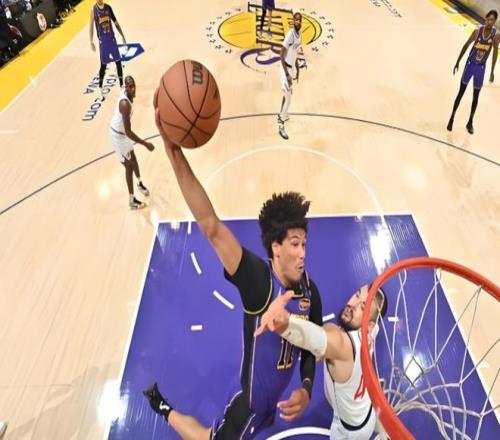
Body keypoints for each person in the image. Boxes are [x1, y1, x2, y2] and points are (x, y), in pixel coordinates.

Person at [143, 109, 323, 439]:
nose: (303, 253)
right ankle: (163, 407)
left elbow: (313, 345)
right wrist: (173, 151)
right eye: (295, 244)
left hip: (271, 405)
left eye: (305, 243)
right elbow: (210, 226)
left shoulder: (310, 289)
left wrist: (307, 388)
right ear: (276, 248)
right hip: (247, 407)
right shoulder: (259, 281)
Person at [255, 284, 388, 439]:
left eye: (363, 307)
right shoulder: (371, 332)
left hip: (350, 432)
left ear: (369, 325)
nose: (352, 304)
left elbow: (317, 337)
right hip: (367, 409)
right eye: (357, 294)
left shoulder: (344, 345)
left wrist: (285, 323)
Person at [447, 10, 499, 134]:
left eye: (492, 20)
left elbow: (495, 53)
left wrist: (492, 71)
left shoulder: (495, 35)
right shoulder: (477, 32)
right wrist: (458, 61)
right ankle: (452, 117)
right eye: (488, 19)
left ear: (495, 21)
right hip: (470, 65)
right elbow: (466, 45)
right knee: (461, 93)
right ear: (485, 19)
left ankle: (470, 122)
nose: (489, 22)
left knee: (476, 97)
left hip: (480, 68)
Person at [110, 75, 154, 209]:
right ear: (126, 88)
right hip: (118, 136)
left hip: (122, 134)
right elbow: (128, 132)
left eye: (134, 85)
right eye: (130, 86)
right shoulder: (125, 105)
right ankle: (132, 200)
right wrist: (145, 144)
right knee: (128, 166)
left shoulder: (127, 95)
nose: (133, 88)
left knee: (133, 159)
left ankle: (139, 183)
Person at [89, 0, 126, 99]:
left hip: (112, 40)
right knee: (103, 66)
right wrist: (91, 41)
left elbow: (116, 23)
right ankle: (100, 89)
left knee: (118, 62)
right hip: (103, 42)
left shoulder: (108, 8)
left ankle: (121, 86)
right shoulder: (93, 10)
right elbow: (91, 27)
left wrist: (122, 35)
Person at [278, 12, 303, 140]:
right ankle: (280, 124)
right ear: (293, 21)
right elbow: (281, 54)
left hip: (291, 67)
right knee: (288, 99)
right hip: (285, 68)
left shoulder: (300, 34)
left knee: (287, 95)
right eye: (296, 20)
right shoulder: (290, 35)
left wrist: (297, 69)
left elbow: (295, 53)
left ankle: (282, 114)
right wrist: (287, 74)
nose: (298, 22)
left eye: (299, 20)